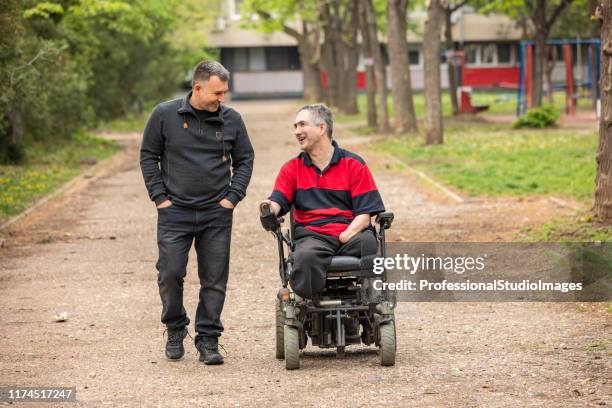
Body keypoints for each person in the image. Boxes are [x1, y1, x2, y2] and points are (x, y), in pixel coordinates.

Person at [140, 60, 254, 364]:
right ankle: (175, 327)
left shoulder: (232, 119)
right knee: (170, 273)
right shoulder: (164, 115)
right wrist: (159, 198)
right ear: (198, 87)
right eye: (217, 92)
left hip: (216, 213)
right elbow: (149, 156)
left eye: (225, 92)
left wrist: (232, 198)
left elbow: (245, 160)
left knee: (214, 279)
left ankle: (208, 339)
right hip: (174, 212)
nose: (222, 98)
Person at [262, 103, 384, 299]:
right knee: (305, 257)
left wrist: (346, 234)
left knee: (368, 245)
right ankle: (313, 302)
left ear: (321, 128)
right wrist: (268, 207)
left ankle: (369, 300)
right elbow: (278, 199)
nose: (297, 131)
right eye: (295, 126)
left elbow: (365, 214)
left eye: (302, 125)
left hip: (350, 234)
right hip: (313, 237)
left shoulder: (354, 164)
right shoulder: (292, 168)